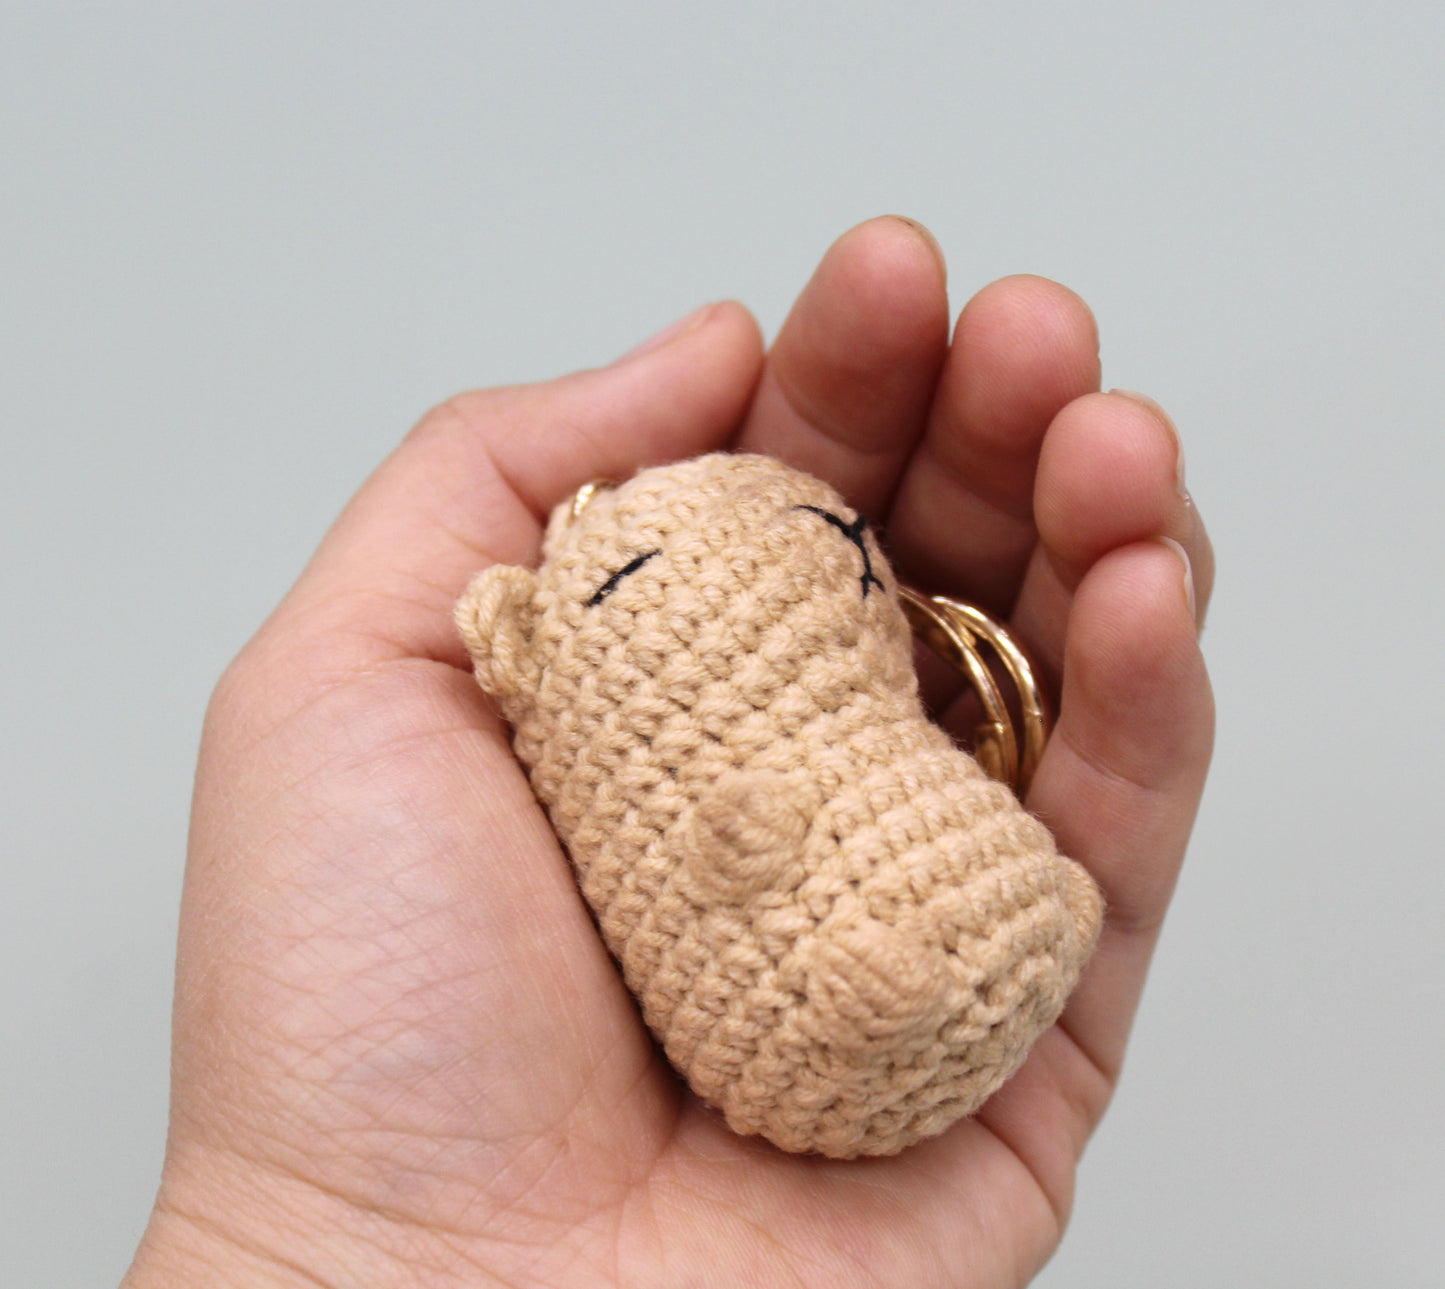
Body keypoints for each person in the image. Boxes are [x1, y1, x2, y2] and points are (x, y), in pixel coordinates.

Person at [122, 216, 1214, 1288]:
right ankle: (937, 947)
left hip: (970, 880)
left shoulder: (823, 675)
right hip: (871, 952)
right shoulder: (565, 664)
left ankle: (1008, 919)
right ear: (516, 643)